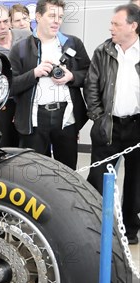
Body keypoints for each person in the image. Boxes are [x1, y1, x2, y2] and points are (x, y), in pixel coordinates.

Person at [8, 0, 90, 170]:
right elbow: (10, 86)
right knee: (33, 173)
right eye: (52, 15)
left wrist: (71, 76)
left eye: (60, 16)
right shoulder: (20, 49)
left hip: (66, 118)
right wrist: (34, 73)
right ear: (38, 17)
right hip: (34, 120)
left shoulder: (73, 43)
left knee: (68, 173)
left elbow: (89, 74)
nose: (57, 21)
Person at [84, 3, 140, 244]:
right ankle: (97, 227)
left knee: (136, 183)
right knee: (98, 179)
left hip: (137, 126)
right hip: (108, 126)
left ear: (133, 26)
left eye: (116, 24)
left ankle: (131, 228)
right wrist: (98, 117)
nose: (111, 28)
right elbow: (91, 85)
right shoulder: (102, 51)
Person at [0, 4, 31, 147]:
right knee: (7, 152)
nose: (3, 26)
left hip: (31, 101)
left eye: (5, 21)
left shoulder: (27, 36)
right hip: (6, 106)